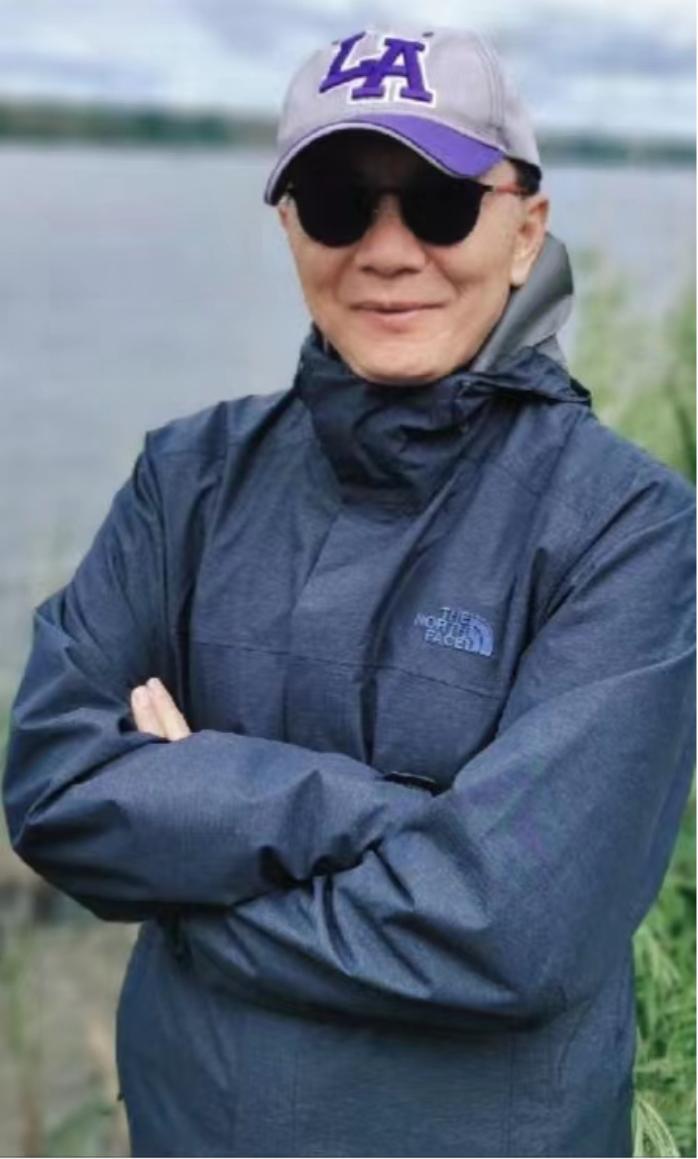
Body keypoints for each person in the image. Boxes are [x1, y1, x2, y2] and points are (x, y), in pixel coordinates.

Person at [2, 24, 695, 1159]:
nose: (386, 251)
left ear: (525, 231)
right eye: (336, 204)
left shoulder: (630, 528)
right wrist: (385, 816)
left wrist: (187, 870)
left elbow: (509, 927)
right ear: (289, 226)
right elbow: (52, 787)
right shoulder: (185, 480)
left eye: (439, 204)